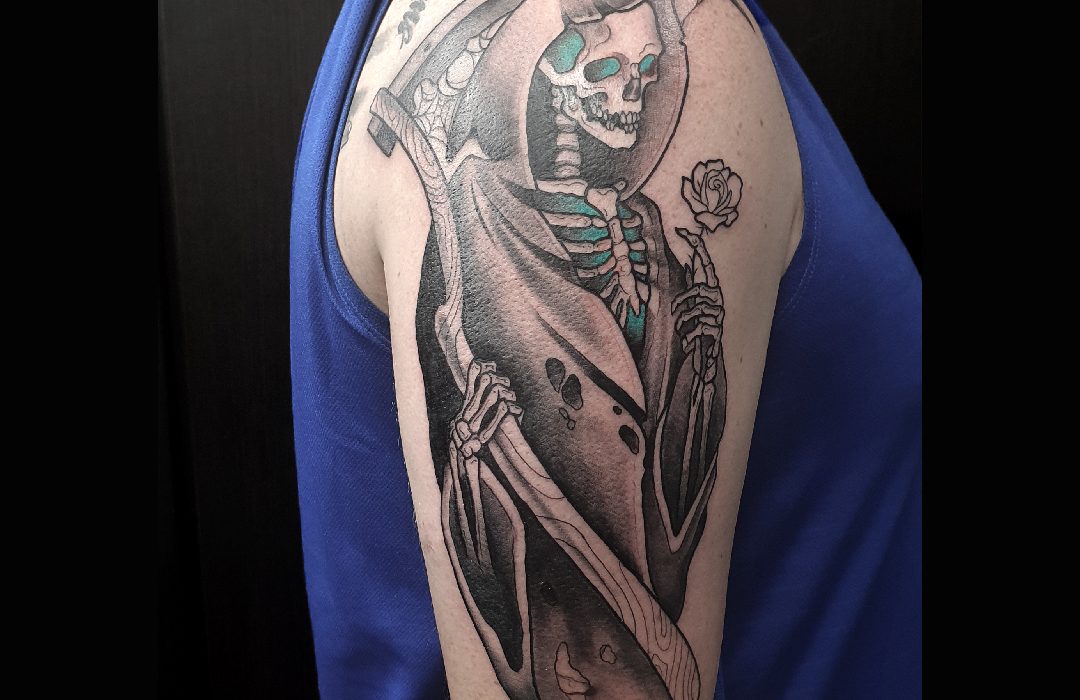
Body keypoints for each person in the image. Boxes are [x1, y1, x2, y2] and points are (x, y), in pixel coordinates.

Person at [289, 0, 921, 697]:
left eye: (645, 73)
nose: (631, 95)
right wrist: (475, 452)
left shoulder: (644, 218)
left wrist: (696, 352)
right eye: (608, 71)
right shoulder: (706, 62)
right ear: (544, 68)